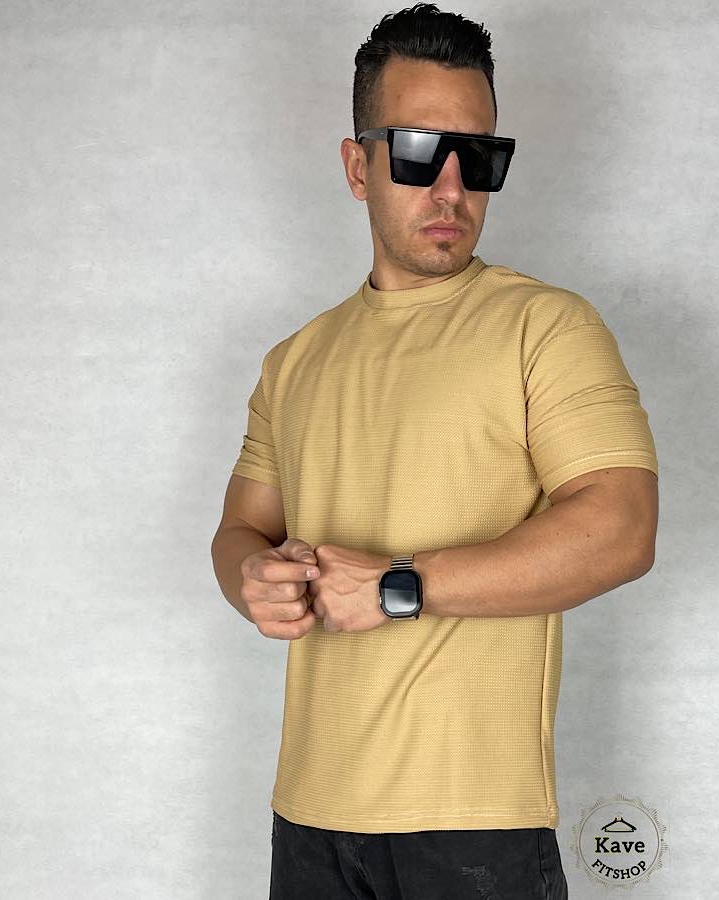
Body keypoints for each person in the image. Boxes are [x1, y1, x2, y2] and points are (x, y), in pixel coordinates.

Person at [210, 4, 659, 898]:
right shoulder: (294, 360)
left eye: (478, 158)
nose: (452, 189)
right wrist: (252, 581)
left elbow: (622, 528)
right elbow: (240, 532)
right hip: (308, 815)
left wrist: (397, 585)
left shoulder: (547, 327)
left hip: (472, 825)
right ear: (358, 166)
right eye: (419, 151)